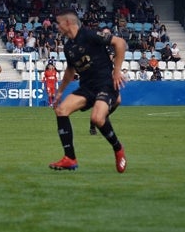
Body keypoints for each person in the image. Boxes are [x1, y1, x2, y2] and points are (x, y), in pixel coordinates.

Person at [49, 9, 127, 173]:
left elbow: (119, 43)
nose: (57, 27)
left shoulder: (89, 35)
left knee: (97, 118)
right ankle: (70, 158)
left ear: (68, 23)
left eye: (59, 23)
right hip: (87, 88)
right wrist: (60, 92)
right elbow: (70, 72)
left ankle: (118, 148)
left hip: (105, 84)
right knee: (61, 110)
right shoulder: (68, 47)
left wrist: (117, 71)